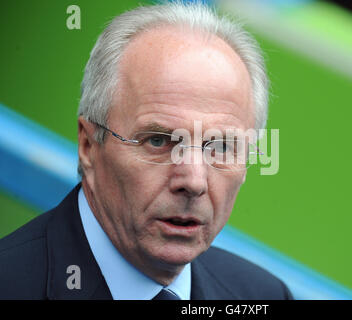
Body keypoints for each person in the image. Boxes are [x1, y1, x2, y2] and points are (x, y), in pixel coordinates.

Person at [0, 2, 292, 300]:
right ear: (89, 146)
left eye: (220, 147)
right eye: (158, 141)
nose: (193, 181)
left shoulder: (262, 295)